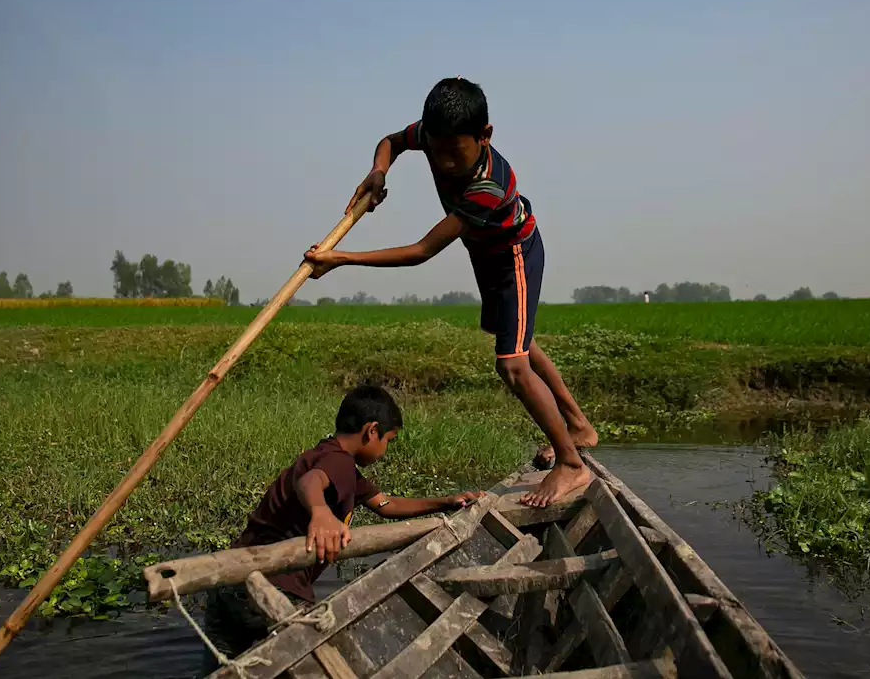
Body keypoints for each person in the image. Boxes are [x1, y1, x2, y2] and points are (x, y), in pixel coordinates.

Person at [303, 77, 598, 508]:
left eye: (454, 153)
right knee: (517, 339)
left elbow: (421, 251)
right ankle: (579, 426)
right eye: (435, 152)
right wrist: (377, 172)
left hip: (513, 252)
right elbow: (391, 141)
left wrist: (342, 259)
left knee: (511, 364)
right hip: (484, 251)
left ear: (485, 136)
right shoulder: (431, 133)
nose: (442, 163)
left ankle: (571, 463)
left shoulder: (488, 186)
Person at [201, 384, 484, 668]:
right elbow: (309, 482)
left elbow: (386, 505)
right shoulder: (338, 464)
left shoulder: (334, 459)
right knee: (317, 664)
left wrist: (445, 501)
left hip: (231, 580)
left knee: (222, 670)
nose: (385, 450)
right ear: (371, 431)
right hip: (274, 588)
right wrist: (321, 512)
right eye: (388, 440)